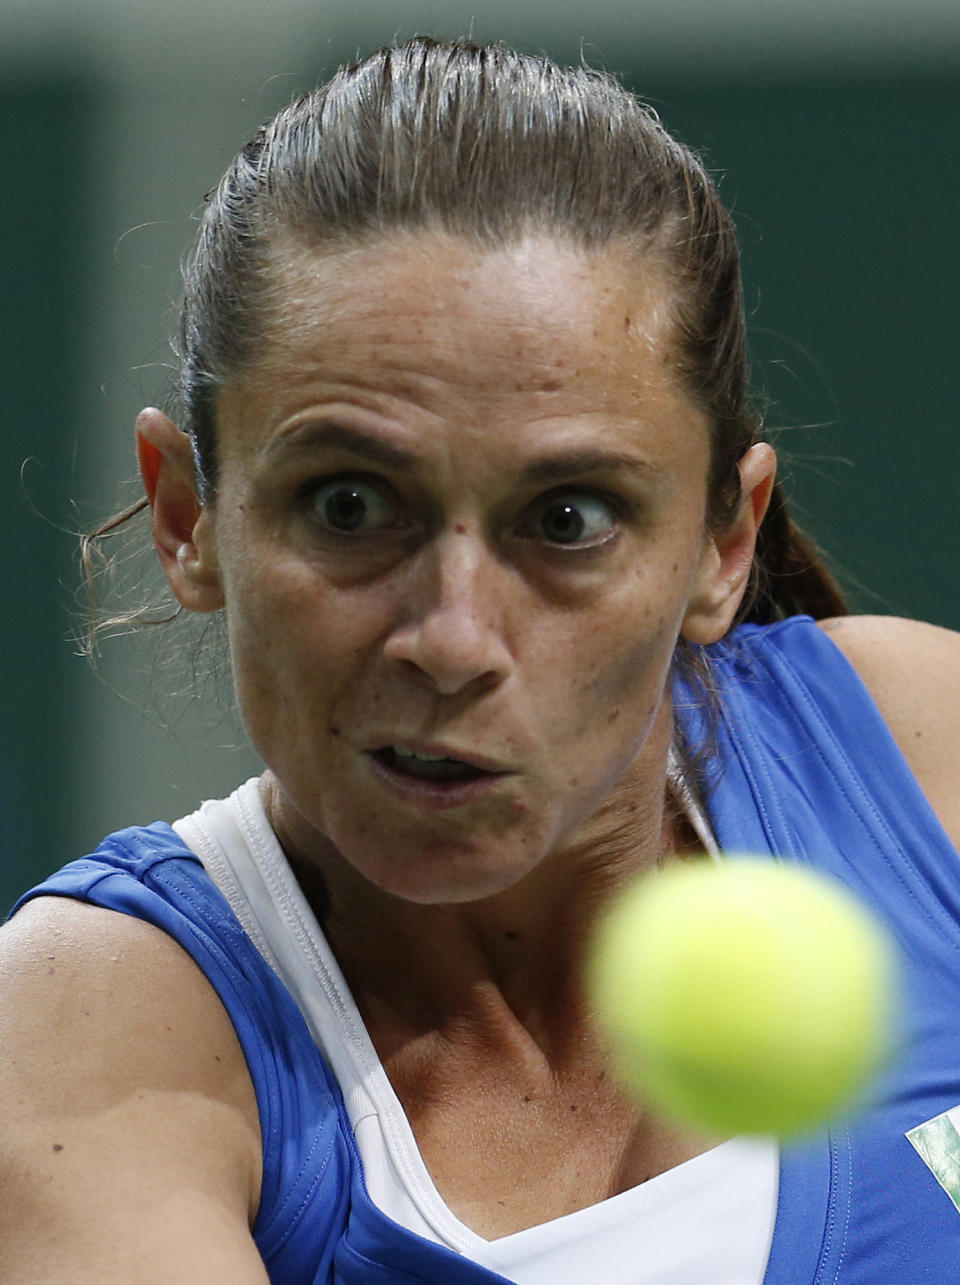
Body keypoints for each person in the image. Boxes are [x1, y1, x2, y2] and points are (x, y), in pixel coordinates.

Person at [2, 36, 960, 1285]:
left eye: (567, 519)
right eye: (350, 506)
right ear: (191, 519)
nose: (451, 638)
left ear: (725, 541)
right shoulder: (87, 1028)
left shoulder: (923, 748)